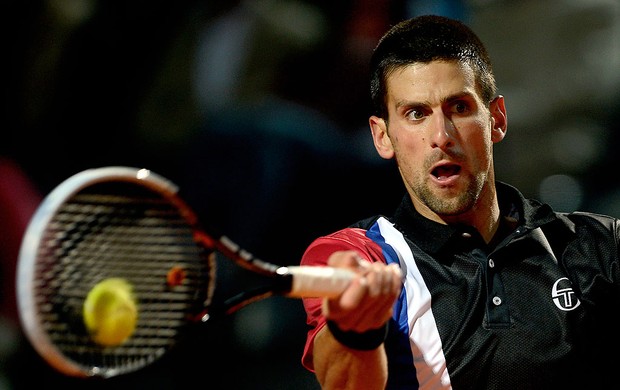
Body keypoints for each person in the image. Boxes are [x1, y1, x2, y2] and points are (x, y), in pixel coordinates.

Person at [299, 14, 620, 390]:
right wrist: (354, 329)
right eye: (416, 114)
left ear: (496, 119)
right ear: (382, 136)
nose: (441, 135)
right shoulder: (361, 255)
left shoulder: (601, 245)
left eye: (460, 108)